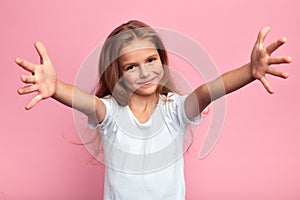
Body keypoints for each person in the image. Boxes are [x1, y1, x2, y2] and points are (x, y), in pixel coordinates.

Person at [16, 20, 291, 200]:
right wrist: (55, 88)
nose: (145, 72)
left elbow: (208, 90)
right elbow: (87, 102)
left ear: (162, 59)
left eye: (151, 59)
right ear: (117, 73)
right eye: (131, 66)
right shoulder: (111, 113)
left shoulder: (175, 109)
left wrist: (250, 71)